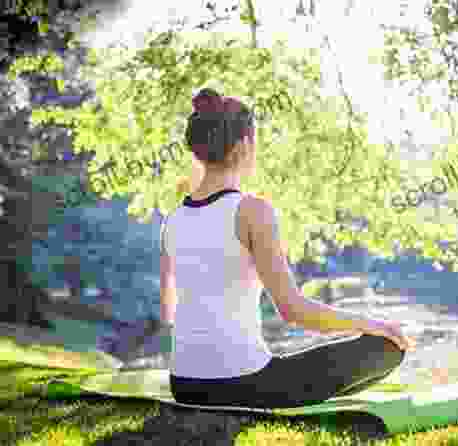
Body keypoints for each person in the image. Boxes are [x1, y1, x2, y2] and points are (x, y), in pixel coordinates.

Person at [159, 88, 416, 409]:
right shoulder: (252, 210)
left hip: (183, 385)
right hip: (244, 384)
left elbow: (168, 312)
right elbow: (293, 311)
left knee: (299, 363)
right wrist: (373, 325)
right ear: (244, 145)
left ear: (198, 151)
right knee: (386, 348)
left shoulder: (173, 220)